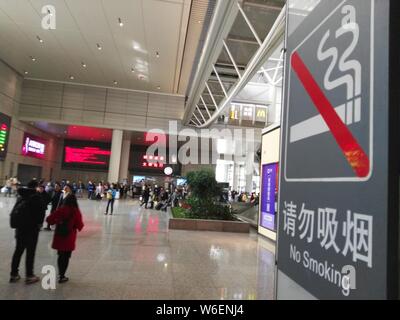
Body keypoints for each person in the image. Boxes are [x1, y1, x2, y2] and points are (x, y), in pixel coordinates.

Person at [10, 180, 45, 284]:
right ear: (36, 187)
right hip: (32, 230)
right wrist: (39, 224)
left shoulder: (21, 196)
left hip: (20, 229)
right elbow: (41, 214)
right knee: (30, 252)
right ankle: (29, 275)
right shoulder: (36, 197)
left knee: (18, 251)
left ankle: (14, 274)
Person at [46, 194, 84, 283]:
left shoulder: (61, 209)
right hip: (69, 237)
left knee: (60, 255)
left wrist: (58, 222)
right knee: (66, 257)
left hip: (60, 236)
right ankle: (62, 275)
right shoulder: (76, 211)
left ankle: (60, 274)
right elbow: (80, 226)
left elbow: (49, 219)